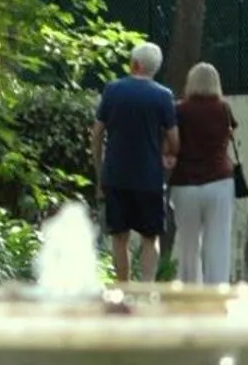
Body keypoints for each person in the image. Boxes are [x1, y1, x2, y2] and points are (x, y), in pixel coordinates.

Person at [91, 41, 178, 282]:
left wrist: (100, 173)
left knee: (119, 238)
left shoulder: (112, 90)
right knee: (151, 239)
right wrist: (167, 154)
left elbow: (97, 134)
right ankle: (147, 291)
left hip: (116, 176)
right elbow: (175, 140)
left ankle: (123, 290)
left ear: (135, 64)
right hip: (149, 179)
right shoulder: (163, 96)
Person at [171, 62, 238, 286]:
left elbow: (173, 141)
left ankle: (190, 290)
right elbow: (229, 136)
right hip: (219, 181)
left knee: (189, 243)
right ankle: (217, 292)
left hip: (185, 182)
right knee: (218, 240)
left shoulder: (179, 109)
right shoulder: (224, 108)